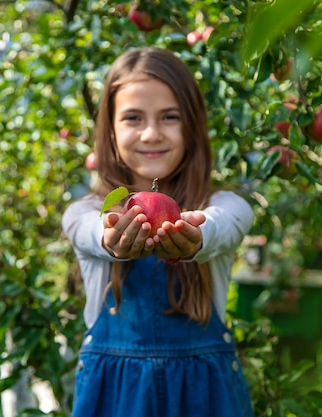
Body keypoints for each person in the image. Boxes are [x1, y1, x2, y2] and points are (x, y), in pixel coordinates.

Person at [62, 46, 255, 417]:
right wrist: (112, 237)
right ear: (110, 130)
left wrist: (194, 235)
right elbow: (91, 232)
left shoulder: (225, 204)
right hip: (116, 398)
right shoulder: (83, 213)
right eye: (133, 118)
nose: (151, 133)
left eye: (169, 117)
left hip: (204, 398)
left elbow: (223, 227)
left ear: (192, 125)